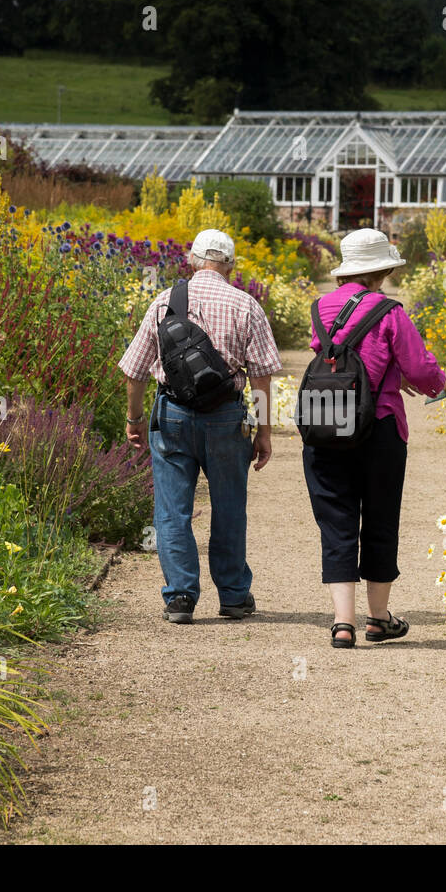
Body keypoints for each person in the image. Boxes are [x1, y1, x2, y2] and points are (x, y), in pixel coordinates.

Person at [301, 228, 446, 649]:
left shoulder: (321, 306)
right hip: (380, 426)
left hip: (327, 422)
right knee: (380, 517)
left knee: (336, 518)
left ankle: (342, 622)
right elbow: (421, 369)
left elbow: (335, 354)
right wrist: (445, 383)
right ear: (383, 269)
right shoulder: (389, 311)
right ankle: (378, 619)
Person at [119, 229, 282, 624]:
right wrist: (263, 431)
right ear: (230, 266)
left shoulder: (164, 302)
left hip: (172, 414)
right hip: (227, 417)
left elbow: (135, 371)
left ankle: (180, 598)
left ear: (192, 261)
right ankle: (233, 597)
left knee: (173, 511)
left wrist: (135, 419)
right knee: (229, 507)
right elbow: (261, 377)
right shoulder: (246, 304)